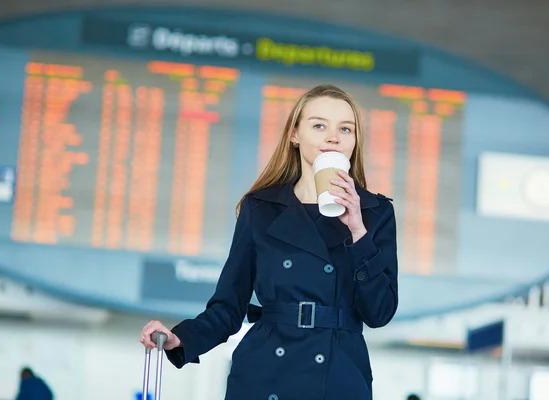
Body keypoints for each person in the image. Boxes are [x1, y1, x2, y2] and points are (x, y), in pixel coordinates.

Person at [140, 84, 399, 400]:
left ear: (355, 140)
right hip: (264, 373)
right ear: (295, 135)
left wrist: (358, 231)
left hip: (339, 375)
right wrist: (180, 338)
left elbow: (380, 313)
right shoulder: (260, 208)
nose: (333, 137)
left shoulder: (376, 212)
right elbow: (228, 306)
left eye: (346, 128)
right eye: (319, 125)